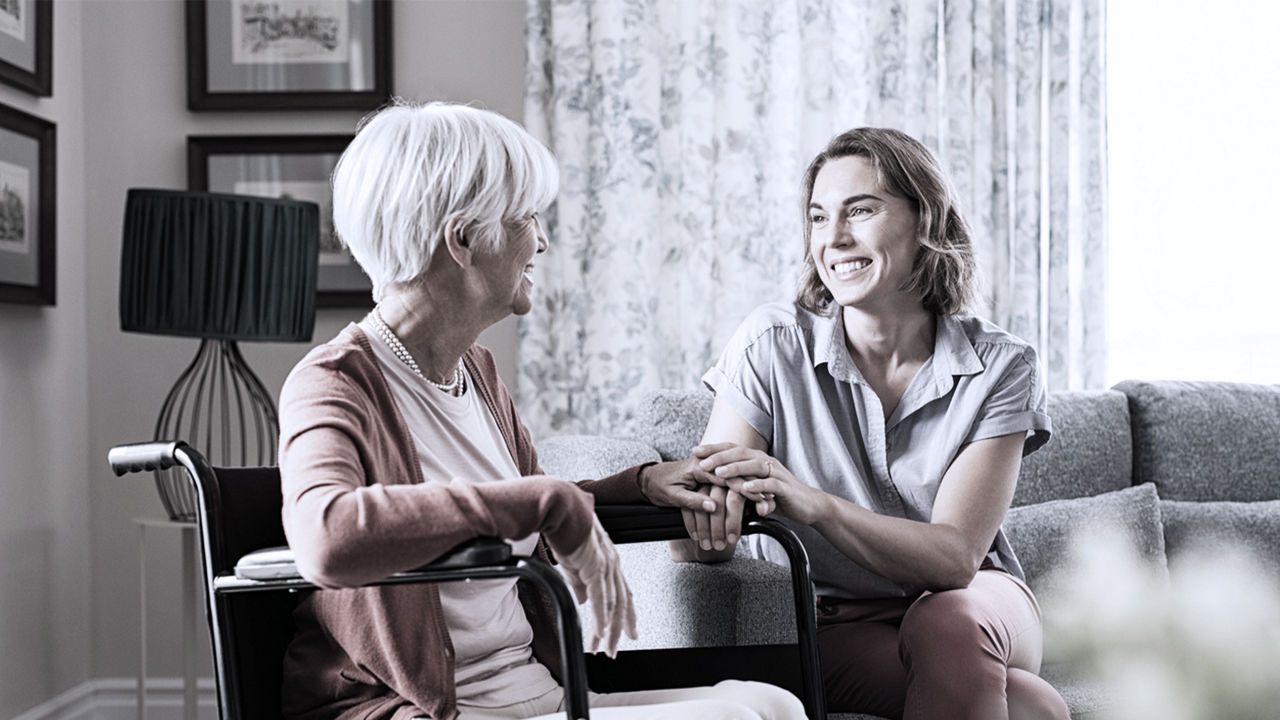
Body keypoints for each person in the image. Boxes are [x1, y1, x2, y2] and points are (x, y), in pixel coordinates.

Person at [277, 100, 804, 720]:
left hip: (535, 695)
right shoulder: (335, 382)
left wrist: (638, 485)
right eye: (527, 217)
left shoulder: (477, 373)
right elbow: (326, 539)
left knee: (770, 702)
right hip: (425, 709)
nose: (544, 240)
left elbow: (517, 500)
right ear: (464, 239)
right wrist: (538, 499)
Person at [678, 128, 1071, 720]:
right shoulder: (771, 346)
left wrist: (815, 505)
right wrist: (710, 515)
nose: (833, 238)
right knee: (1036, 707)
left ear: (926, 221)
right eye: (817, 217)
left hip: (974, 601)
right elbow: (702, 531)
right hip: (838, 621)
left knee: (948, 620)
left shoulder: (1002, 366)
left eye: (860, 211)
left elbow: (955, 558)